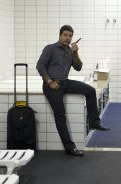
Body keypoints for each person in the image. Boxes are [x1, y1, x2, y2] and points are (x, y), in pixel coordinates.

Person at [36, 25, 109, 157]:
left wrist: (75, 53)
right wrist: (49, 82)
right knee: (60, 115)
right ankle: (69, 147)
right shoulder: (50, 48)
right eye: (65, 35)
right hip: (51, 85)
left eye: (70, 36)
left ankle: (94, 122)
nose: (68, 38)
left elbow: (78, 67)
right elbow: (40, 65)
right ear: (60, 35)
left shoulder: (70, 51)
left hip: (65, 82)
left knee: (90, 91)